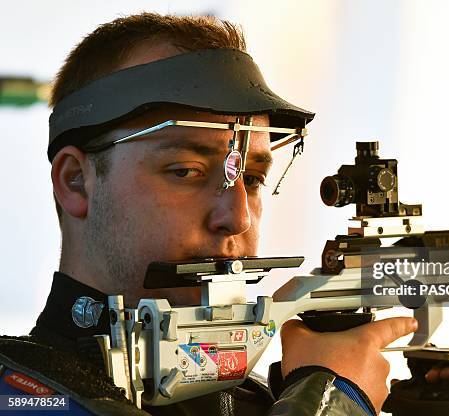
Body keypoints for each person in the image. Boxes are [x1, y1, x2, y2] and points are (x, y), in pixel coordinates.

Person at [0, 13, 417, 416]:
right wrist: (332, 398)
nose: (237, 218)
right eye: (185, 171)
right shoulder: (19, 395)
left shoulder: (279, 398)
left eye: (252, 179)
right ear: (75, 181)